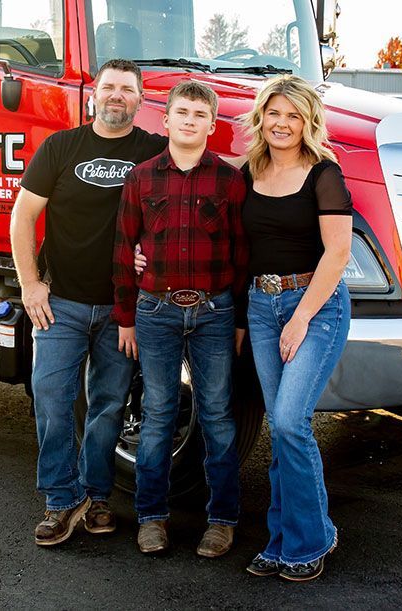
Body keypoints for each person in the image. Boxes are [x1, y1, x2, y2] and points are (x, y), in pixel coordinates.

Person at [10, 59, 167, 546]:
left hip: (124, 311)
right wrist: (31, 286)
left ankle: (97, 498)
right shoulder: (62, 147)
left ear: (142, 101)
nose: (117, 95)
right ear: (93, 95)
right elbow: (22, 218)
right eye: (109, 87)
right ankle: (61, 500)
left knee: (108, 407)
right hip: (61, 305)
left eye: (127, 89)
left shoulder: (155, 153)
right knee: (53, 401)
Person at [111, 81, 249, 557]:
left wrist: (238, 321)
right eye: (181, 112)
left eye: (199, 114)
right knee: (158, 416)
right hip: (155, 311)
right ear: (164, 119)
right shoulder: (142, 178)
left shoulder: (231, 181)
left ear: (213, 124)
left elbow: (241, 254)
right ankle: (152, 517)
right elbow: (123, 248)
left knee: (217, 415)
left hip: (214, 312)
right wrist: (126, 317)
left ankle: (222, 519)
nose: (190, 120)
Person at [237, 75, 353, 581]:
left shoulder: (324, 173)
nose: (282, 123)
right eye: (274, 113)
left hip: (316, 305)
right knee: (283, 428)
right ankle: (281, 538)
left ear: (307, 122)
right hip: (261, 306)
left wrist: (301, 316)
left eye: (293, 115)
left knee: (289, 421)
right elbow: (234, 247)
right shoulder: (248, 172)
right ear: (261, 117)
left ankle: (312, 539)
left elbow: (339, 252)